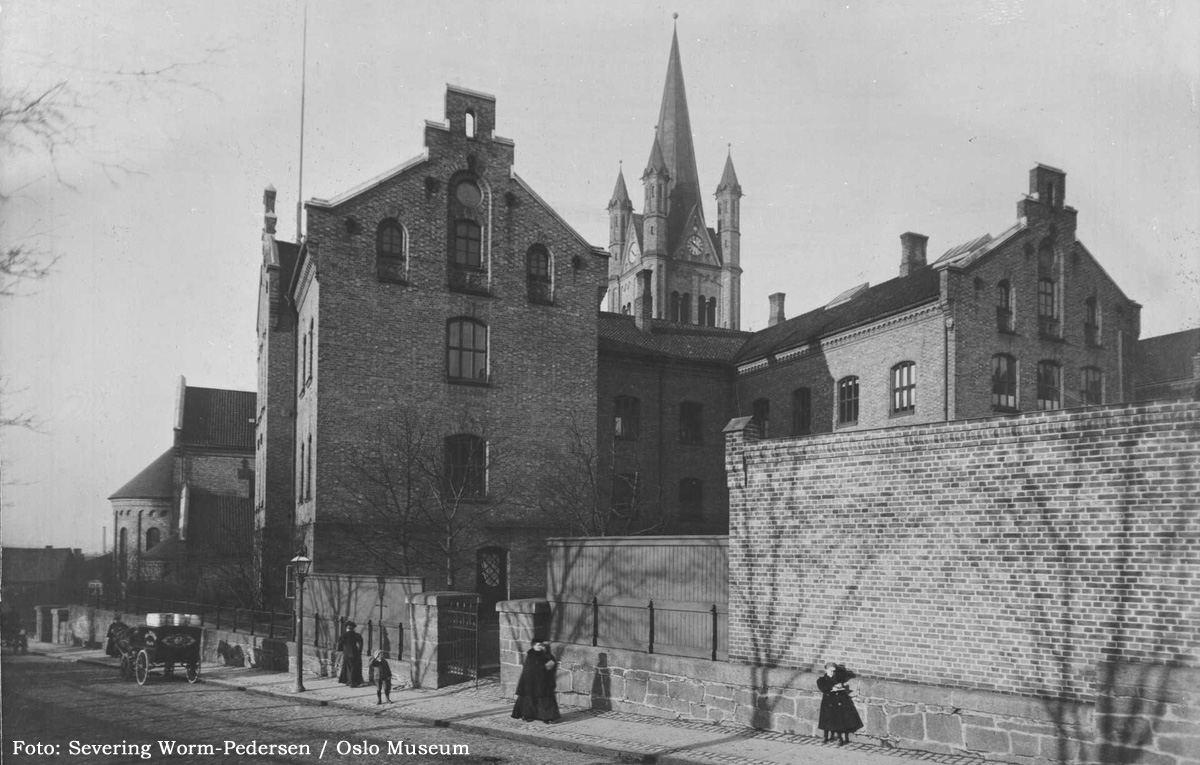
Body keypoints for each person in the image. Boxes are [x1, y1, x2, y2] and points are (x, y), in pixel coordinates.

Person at [511, 639, 561, 724]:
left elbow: (551, 664)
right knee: (528, 699)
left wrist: (549, 663)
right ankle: (527, 715)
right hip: (530, 682)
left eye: (542, 645)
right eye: (538, 645)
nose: (541, 647)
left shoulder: (545, 655)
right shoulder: (531, 656)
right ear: (533, 646)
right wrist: (544, 667)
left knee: (545, 700)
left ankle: (548, 717)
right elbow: (531, 669)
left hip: (543, 682)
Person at [817, 662, 863, 745]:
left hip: (836, 702)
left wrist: (839, 686)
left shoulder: (838, 678)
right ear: (826, 670)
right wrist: (832, 688)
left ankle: (839, 737)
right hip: (827, 702)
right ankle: (825, 736)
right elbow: (823, 688)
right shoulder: (822, 680)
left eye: (834, 671)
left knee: (837, 720)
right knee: (826, 719)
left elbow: (844, 675)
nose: (832, 673)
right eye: (830, 671)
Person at [336, 621, 364, 687]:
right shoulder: (357, 635)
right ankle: (354, 682)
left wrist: (343, 650)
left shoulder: (343, 636)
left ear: (347, 628)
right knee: (355, 668)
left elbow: (339, 646)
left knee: (347, 668)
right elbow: (360, 645)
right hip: (355, 653)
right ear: (354, 628)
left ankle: (348, 681)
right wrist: (359, 652)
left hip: (347, 654)